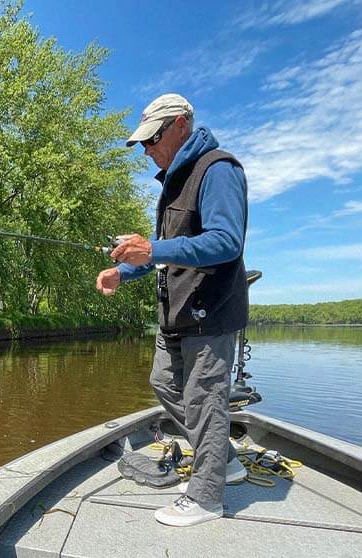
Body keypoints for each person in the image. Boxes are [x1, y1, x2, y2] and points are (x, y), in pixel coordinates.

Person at [96, 93, 249, 527]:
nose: (146, 150)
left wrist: (153, 247)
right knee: (163, 382)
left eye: (151, 139)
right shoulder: (172, 181)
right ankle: (225, 460)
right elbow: (162, 255)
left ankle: (206, 497)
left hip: (209, 310)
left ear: (181, 125)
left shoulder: (218, 169)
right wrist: (123, 272)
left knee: (204, 400)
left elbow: (225, 242)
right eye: (142, 143)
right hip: (175, 313)